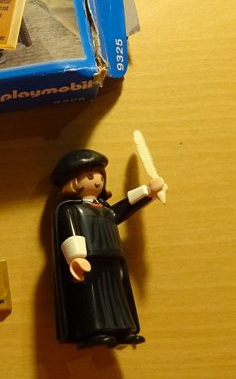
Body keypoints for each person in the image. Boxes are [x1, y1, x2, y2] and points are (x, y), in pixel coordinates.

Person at [50, 149, 165, 349]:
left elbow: (124, 208)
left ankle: (122, 329)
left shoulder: (105, 209)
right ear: (73, 181)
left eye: (100, 177)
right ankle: (94, 331)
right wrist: (76, 257)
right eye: (90, 176)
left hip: (112, 259)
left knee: (116, 295)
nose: (97, 181)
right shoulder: (71, 210)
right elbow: (70, 232)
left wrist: (148, 191)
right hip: (89, 261)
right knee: (92, 295)